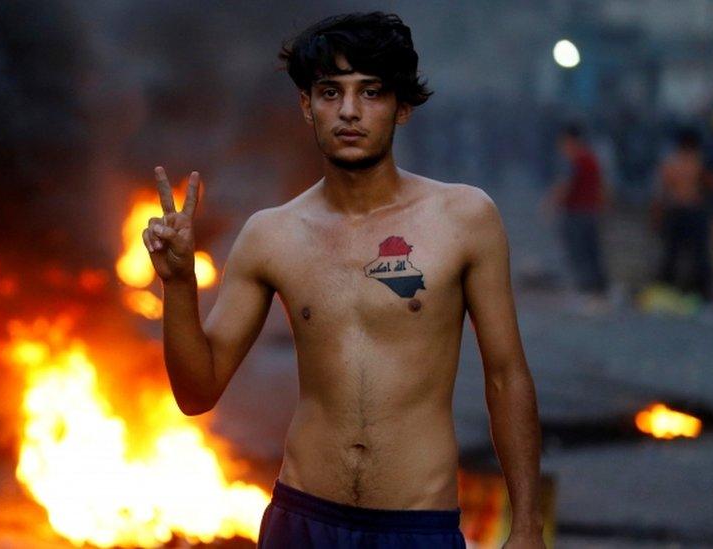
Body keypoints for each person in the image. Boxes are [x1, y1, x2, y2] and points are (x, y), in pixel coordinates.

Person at [142, 12, 544, 549]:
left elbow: (506, 376)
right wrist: (179, 286)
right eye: (330, 92)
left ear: (401, 107)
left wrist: (527, 524)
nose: (349, 111)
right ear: (307, 106)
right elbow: (196, 393)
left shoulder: (464, 219)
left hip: (415, 524)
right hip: (302, 518)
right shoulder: (272, 234)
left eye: (370, 92)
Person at [543, 124, 610, 312]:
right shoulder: (592, 159)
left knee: (579, 255)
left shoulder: (578, 161)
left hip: (577, 214)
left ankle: (587, 293)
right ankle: (597, 293)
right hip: (591, 212)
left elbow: (565, 185)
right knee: (591, 254)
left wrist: (551, 203)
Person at [652, 128, 713, 302]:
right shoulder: (699, 162)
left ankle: (667, 290)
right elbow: (712, 185)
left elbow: (661, 193)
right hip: (691, 212)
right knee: (695, 255)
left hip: (677, 212)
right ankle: (700, 291)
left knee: (675, 254)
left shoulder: (671, 162)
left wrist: (658, 216)